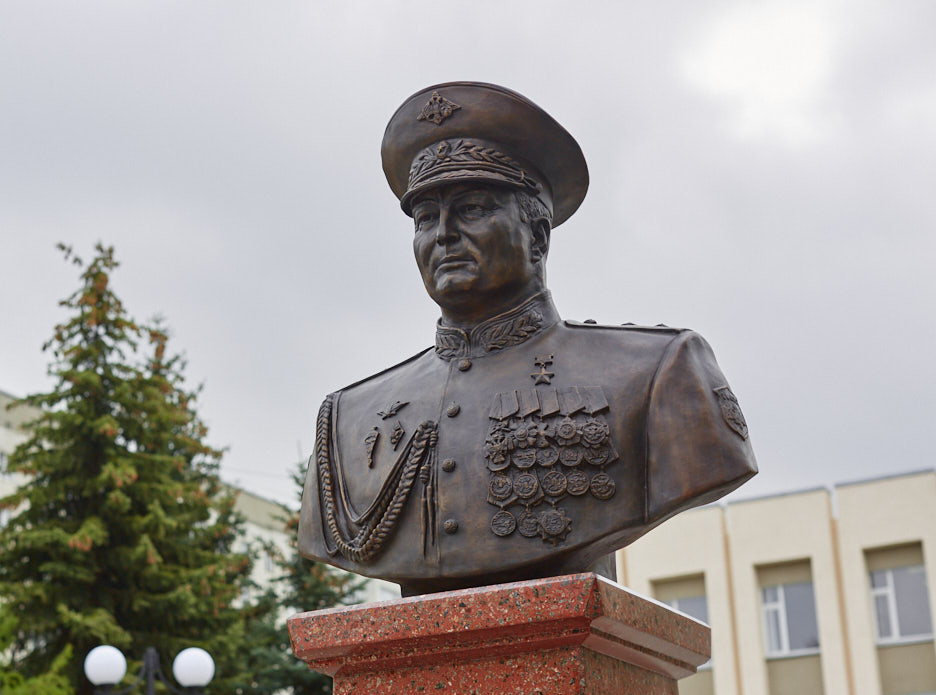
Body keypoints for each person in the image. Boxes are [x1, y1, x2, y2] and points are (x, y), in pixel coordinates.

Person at [298, 82, 757, 596]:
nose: (444, 233)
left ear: (537, 236)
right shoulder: (346, 418)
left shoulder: (657, 372)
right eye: (427, 218)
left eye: (472, 209)